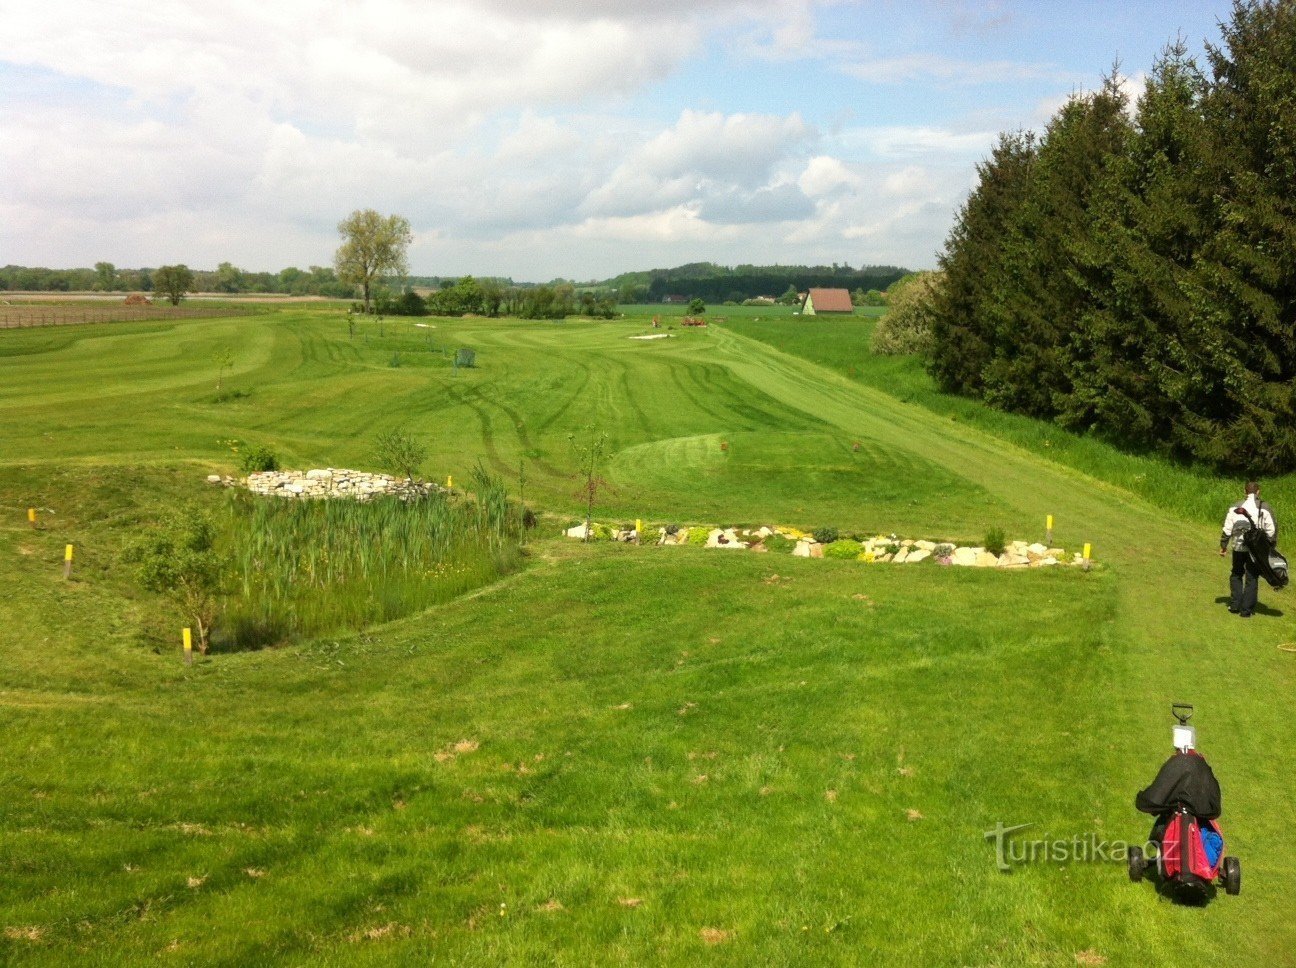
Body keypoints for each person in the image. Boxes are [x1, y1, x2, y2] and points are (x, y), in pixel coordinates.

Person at [1219, 481, 1277, 617]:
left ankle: (1234, 605)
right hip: (1254, 550)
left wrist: (1223, 546)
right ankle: (1246, 611)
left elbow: (1227, 529)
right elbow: (1271, 531)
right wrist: (1270, 547)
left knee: (1236, 573)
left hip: (1238, 547)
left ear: (1245, 492)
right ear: (1258, 492)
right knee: (1252, 577)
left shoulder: (1235, 506)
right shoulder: (1265, 507)